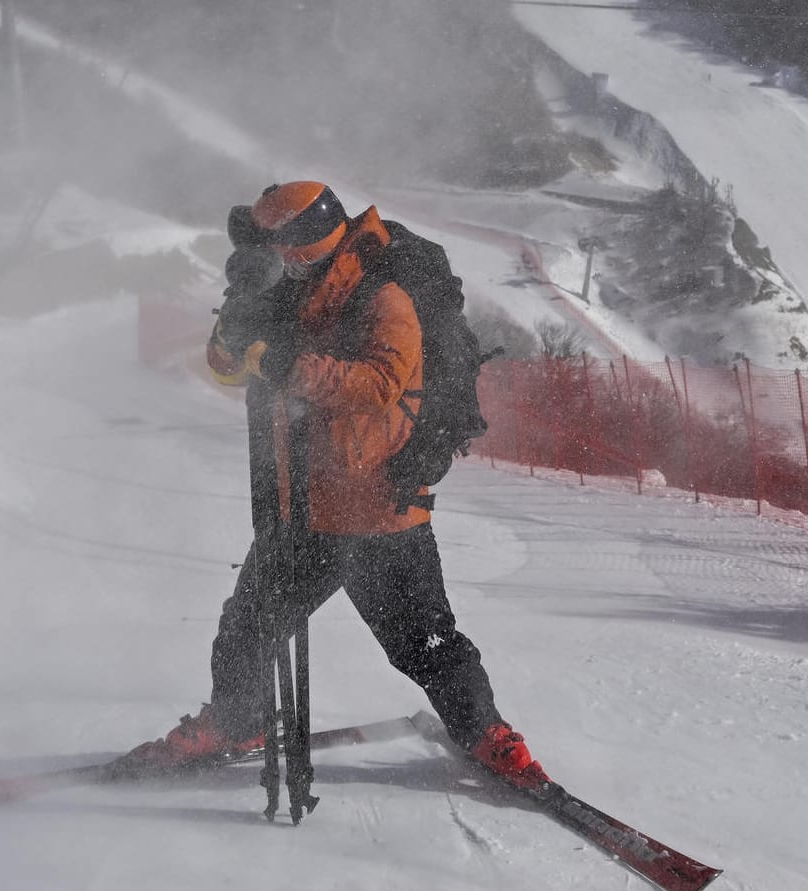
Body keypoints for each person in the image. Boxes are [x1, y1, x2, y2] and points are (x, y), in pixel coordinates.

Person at [131, 181, 546, 791]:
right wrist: (236, 320)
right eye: (278, 251)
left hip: (375, 508)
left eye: (295, 250)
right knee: (247, 628)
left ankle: (486, 734)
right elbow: (224, 368)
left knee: (425, 642)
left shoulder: (382, 295)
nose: (288, 262)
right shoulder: (279, 294)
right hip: (297, 507)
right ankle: (236, 721)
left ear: (318, 240)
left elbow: (380, 383)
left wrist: (283, 362)